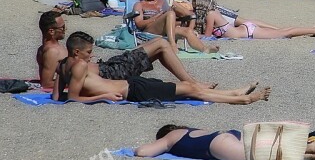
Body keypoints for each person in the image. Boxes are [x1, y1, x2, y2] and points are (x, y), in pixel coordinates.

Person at [53, 32, 269, 104]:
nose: (92, 56)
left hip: (133, 85)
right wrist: (104, 96)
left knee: (185, 88)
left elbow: (56, 97)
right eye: (88, 53)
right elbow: (72, 98)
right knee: (190, 90)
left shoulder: (62, 65)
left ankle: (234, 92)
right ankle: (241, 99)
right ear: (76, 53)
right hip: (132, 90)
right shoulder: (80, 66)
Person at [36, 11, 209, 91]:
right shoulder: (52, 51)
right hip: (111, 73)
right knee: (161, 45)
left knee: (157, 44)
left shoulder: (49, 49)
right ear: (51, 31)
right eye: (62, 27)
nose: (65, 29)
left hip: (110, 67)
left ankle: (192, 83)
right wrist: (79, 83)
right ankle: (193, 84)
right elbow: (47, 83)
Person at [132, 0, 216, 53]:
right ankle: (172, 45)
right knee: (170, 14)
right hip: (150, 30)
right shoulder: (140, 4)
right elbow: (139, 24)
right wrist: (157, 17)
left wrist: (190, 28)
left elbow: (191, 15)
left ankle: (204, 49)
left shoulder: (165, 1)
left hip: (167, 30)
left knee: (187, 31)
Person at [192, 0, 315, 40]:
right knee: (282, 31)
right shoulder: (213, 12)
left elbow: (208, 36)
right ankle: (313, 29)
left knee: (285, 33)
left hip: (249, 32)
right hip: (245, 29)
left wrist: (196, 34)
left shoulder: (210, 14)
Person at [135, 125, 249, 160]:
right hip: (230, 134)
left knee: (258, 159)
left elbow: (142, 152)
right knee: (263, 152)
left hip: (217, 144)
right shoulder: (191, 130)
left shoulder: (171, 136)